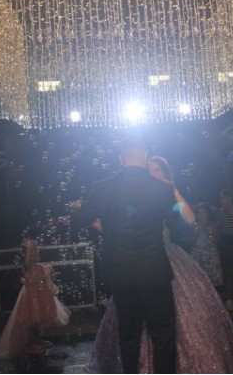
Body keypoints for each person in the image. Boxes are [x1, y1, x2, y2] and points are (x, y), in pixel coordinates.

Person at [84, 149, 233, 373]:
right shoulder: (140, 194)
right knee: (137, 328)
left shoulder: (164, 192)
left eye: (157, 170)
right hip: (141, 268)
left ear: (165, 174)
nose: (152, 173)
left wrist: (173, 188)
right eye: (149, 169)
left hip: (166, 261)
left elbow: (190, 218)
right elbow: (113, 227)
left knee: (171, 325)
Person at [77, 136, 194, 374]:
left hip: (120, 273)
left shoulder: (102, 187)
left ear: (121, 158)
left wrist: (85, 214)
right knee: (163, 335)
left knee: (128, 334)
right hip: (154, 271)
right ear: (145, 156)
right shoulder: (161, 187)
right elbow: (179, 225)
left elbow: (80, 219)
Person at [0, 238, 70, 359]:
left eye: (36, 252)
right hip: (30, 297)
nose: (34, 254)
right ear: (26, 255)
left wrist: (52, 278)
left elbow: (44, 280)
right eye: (32, 252)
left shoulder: (40, 267)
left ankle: (37, 340)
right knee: (32, 320)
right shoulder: (27, 266)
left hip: (40, 295)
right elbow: (28, 265)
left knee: (39, 320)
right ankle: (31, 343)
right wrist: (29, 248)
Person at [190, 203, 223, 287]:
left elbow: (214, 240)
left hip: (210, 258)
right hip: (198, 257)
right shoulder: (194, 226)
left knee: (211, 284)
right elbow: (192, 242)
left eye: (203, 213)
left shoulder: (213, 225)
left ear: (208, 214)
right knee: (199, 283)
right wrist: (197, 231)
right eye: (199, 213)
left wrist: (204, 230)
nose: (201, 216)